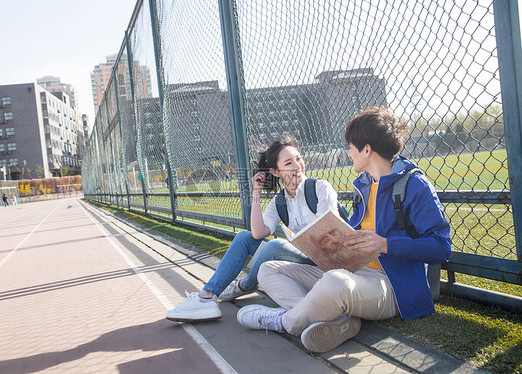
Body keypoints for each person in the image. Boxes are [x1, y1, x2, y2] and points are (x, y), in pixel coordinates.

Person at [237, 107, 451, 353]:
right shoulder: (364, 185)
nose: (348, 152)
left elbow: (441, 248)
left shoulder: (415, 185)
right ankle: (333, 318)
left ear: (367, 149)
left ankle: (284, 321)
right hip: (353, 272)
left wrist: (385, 245)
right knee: (267, 270)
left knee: (334, 281)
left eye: (351, 146)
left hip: (391, 286)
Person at [166, 135, 340, 322]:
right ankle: (206, 296)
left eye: (298, 158)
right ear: (275, 172)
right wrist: (256, 191)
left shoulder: (320, 188)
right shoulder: (279, 202)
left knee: (275, 246)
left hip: (326, 263)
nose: (298, 166)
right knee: (244, 238)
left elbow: (330, 235)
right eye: (289, 163)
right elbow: (258, 233)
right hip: (301, 262)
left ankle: (245, 285)